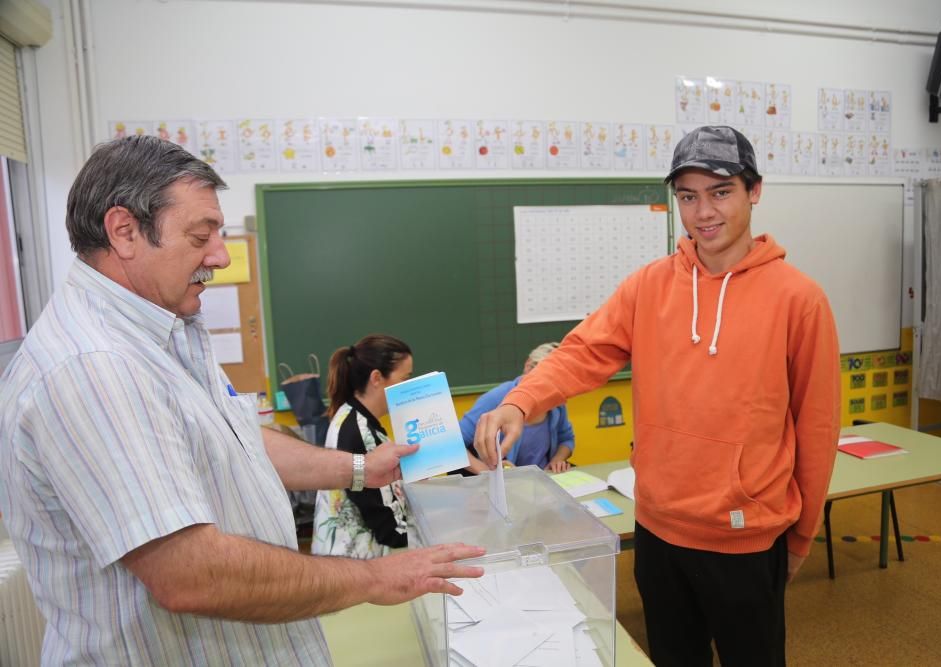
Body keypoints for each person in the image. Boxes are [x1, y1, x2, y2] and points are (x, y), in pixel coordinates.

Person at [0, 136, 483, 666]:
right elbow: (188, 574)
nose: (221, 256)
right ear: (124, 231)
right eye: (199, 236)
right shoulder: (95, 368)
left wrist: (360, 468)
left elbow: (233, 442)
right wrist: (374, 576)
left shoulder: (169, 327)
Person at [474, 126, 840, 666]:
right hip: (659, 532)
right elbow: (582, 352)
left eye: (720, 192)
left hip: (747, 539)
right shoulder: (649, 286)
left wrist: (802, 535)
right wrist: (520, 402)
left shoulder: (798, 299)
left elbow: (816, 424)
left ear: (754, 191)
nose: (703, 212)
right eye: (688, 196)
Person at [312, 335, 412, 557]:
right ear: (377, 378)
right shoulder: (358, 432)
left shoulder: (354, 416)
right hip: (351, 563)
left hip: (350, 557)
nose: (408, 388)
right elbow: (385, 525)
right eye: (405, 379)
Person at [460, 342, 575, 473]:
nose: (547, 392)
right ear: (527, 366)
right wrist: (488, 472)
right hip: (506, 487)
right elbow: (453, 444)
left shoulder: (556, 401)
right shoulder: (496, 398)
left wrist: (558, 459)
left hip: (541, 480)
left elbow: (566, 439)